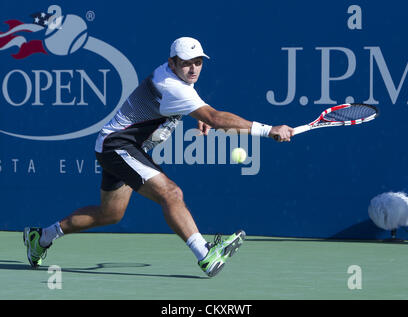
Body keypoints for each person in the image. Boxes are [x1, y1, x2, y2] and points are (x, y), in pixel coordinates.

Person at [23, 37, 294, 277]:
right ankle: (205, 254)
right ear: (172, 62)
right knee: (171, 194)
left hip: (120, 146)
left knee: (110, 213)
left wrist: (200, 117)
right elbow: (214, 116)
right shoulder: (172, 85)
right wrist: (269, 130)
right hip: (118, 146)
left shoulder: (176, 80)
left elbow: (198, 111)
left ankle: (42, 237)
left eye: (198, 62)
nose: (193, 68)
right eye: (187, 63)